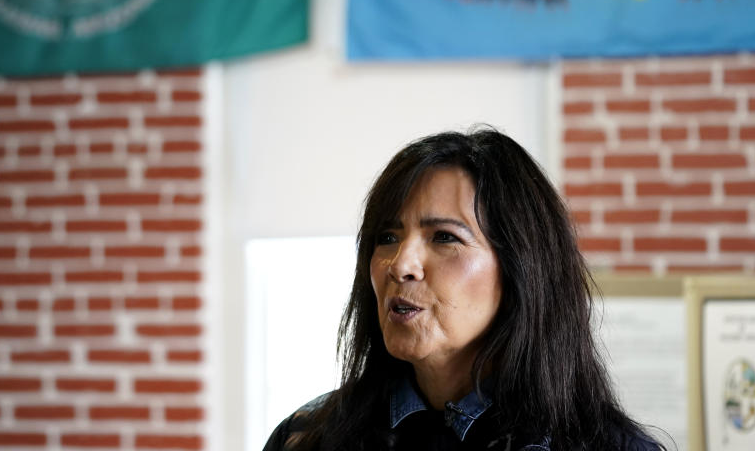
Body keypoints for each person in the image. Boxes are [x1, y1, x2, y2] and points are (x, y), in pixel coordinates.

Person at [263, 128, 665, 451]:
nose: (400, 265)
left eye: (443, 237)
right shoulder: (304, 437)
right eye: (386, 237)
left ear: (520, 269)